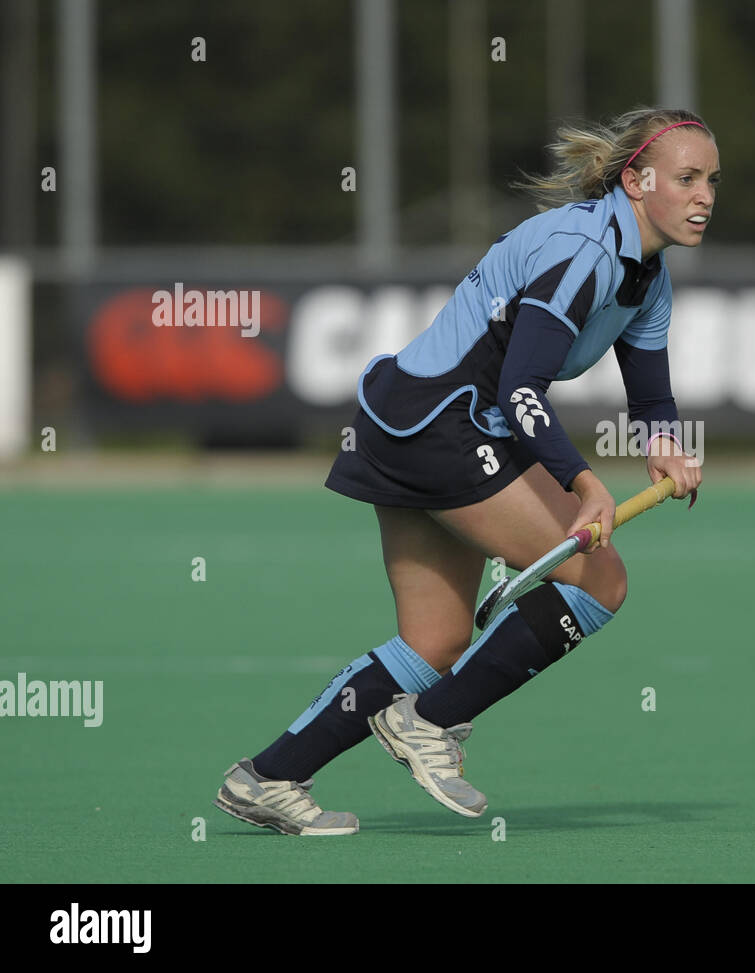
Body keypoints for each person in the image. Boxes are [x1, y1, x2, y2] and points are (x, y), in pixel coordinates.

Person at [214, 107, 715, 835]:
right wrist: (585, 481)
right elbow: (519, 388)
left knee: (434, 641)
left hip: (406, 421)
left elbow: (651, 392)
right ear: (636, 181)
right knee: (601, 581)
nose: (704, 195)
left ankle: (268, 775)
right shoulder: (585, 251)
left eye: (711, 181)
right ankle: (430, 724)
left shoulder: (648, 275)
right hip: (443, 424)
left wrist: (664, 443)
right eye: (687, 178)